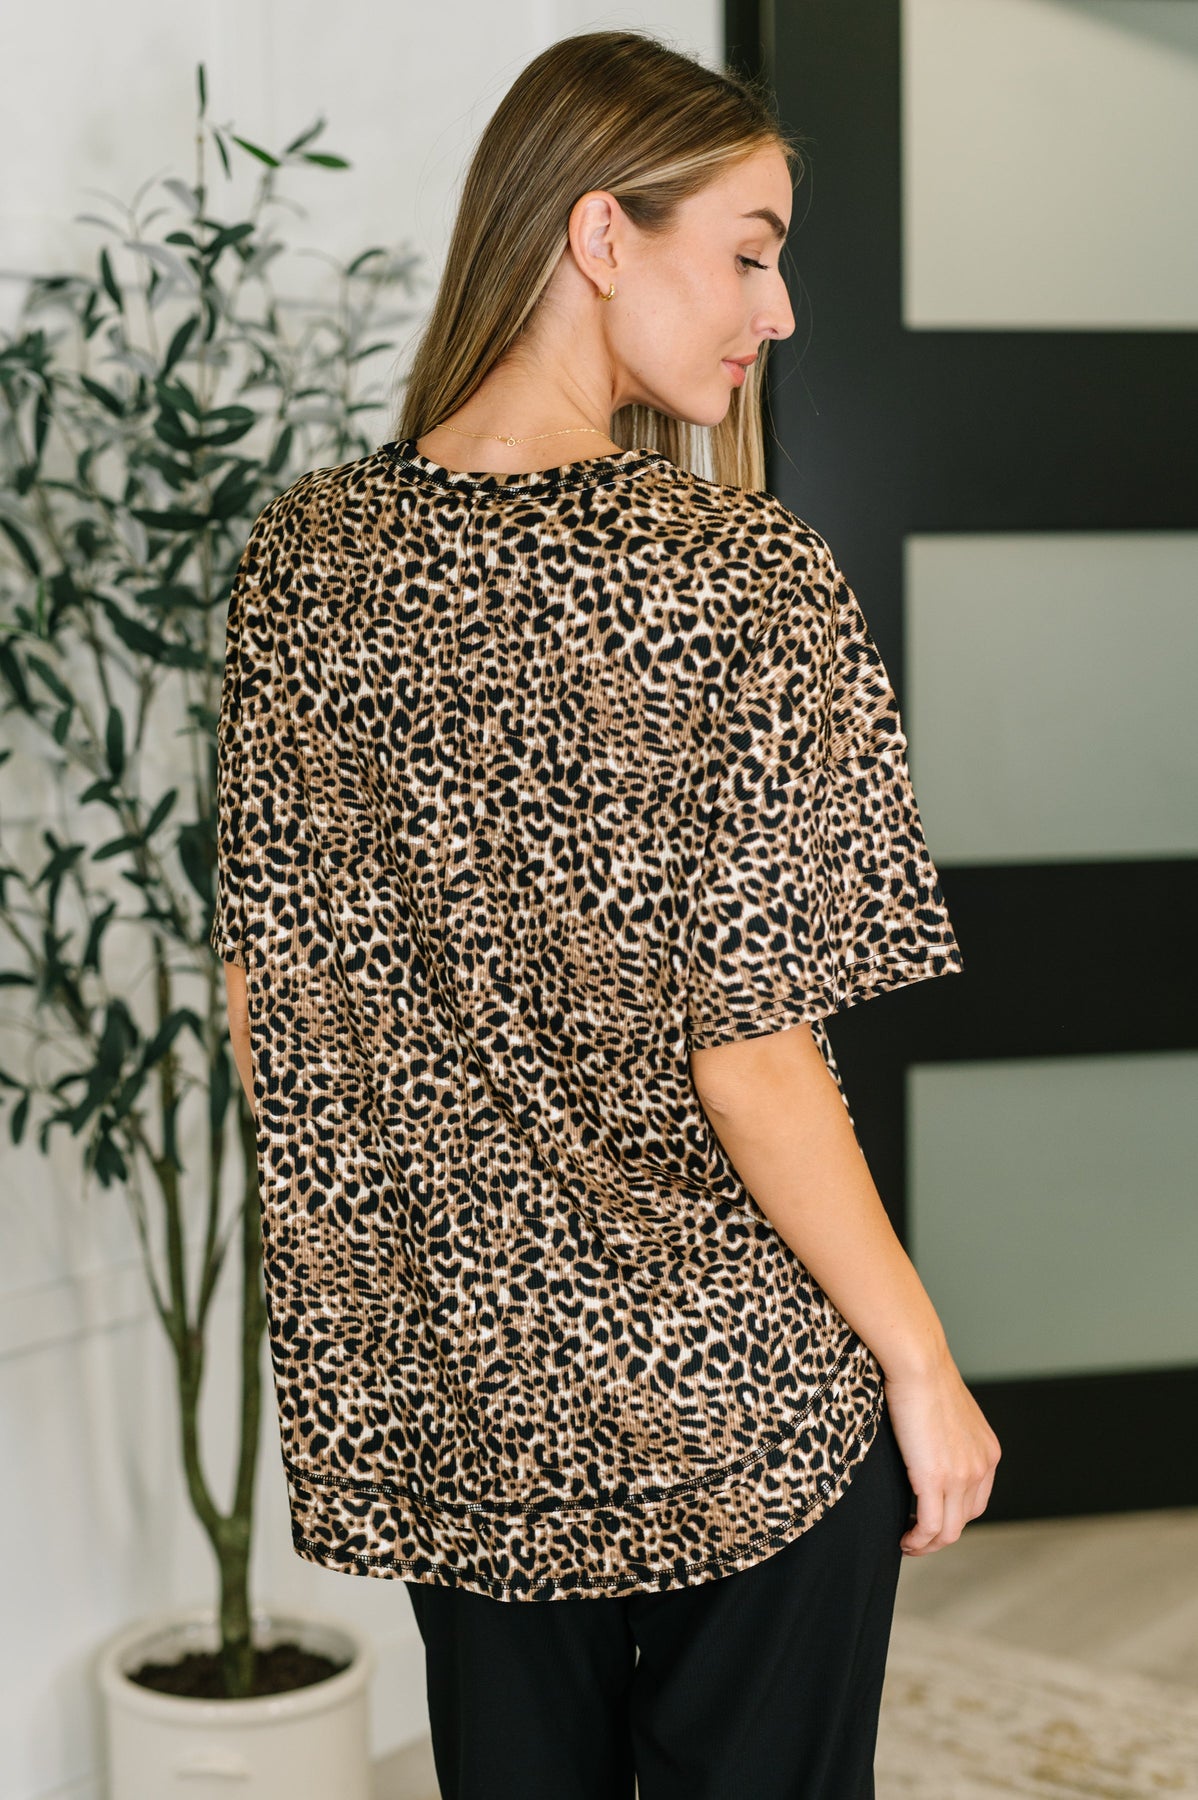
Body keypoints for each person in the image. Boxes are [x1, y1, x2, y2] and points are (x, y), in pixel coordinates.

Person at [213, 27, 1001, 1799]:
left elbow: (277, 1019)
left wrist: (469, 1279)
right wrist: (920, 1362)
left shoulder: (304, 561)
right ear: (596, 235)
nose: (776, 311)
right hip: (740, 1409)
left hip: (462, 1416)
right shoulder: (742, 576)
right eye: (747, 251)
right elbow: (754, 1057)